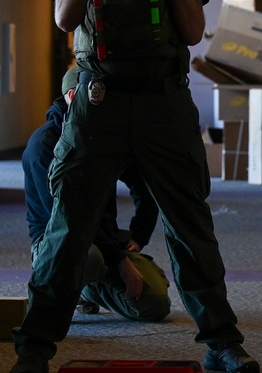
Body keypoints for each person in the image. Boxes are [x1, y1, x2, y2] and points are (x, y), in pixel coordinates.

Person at [9, 0, 258, 373]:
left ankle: (221, 340)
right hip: (98, 104)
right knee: (68, 226)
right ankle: (35, 346)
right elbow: (64, 16)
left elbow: (192, 32)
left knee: (191, 226)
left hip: (164, 103)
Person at [22, 66, 170, 322]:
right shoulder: (44, 147)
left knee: (155, 304)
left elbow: (144, 182)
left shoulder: (102, 135)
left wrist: (139, 231)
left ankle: (89, 285)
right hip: (56, 239)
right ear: (72, 97)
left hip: (103, 240)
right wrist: (120, 260)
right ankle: (61, 286)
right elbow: (69, 220)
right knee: (86, 257)